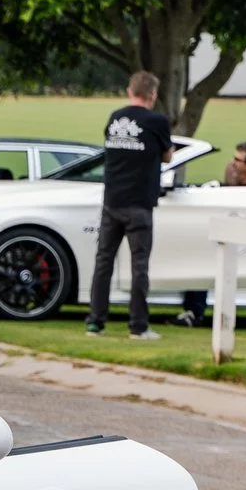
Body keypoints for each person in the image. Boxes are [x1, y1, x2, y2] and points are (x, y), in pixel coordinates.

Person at [86, 71, 173, 339]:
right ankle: (138, 326)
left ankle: (95, 322)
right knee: (139, 266)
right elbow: (168, 156)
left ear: (129, 91)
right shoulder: (157, 121)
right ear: (153, 95)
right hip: (139, 203)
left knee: (103, 262)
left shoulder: (115, 119)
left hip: (112, 201)